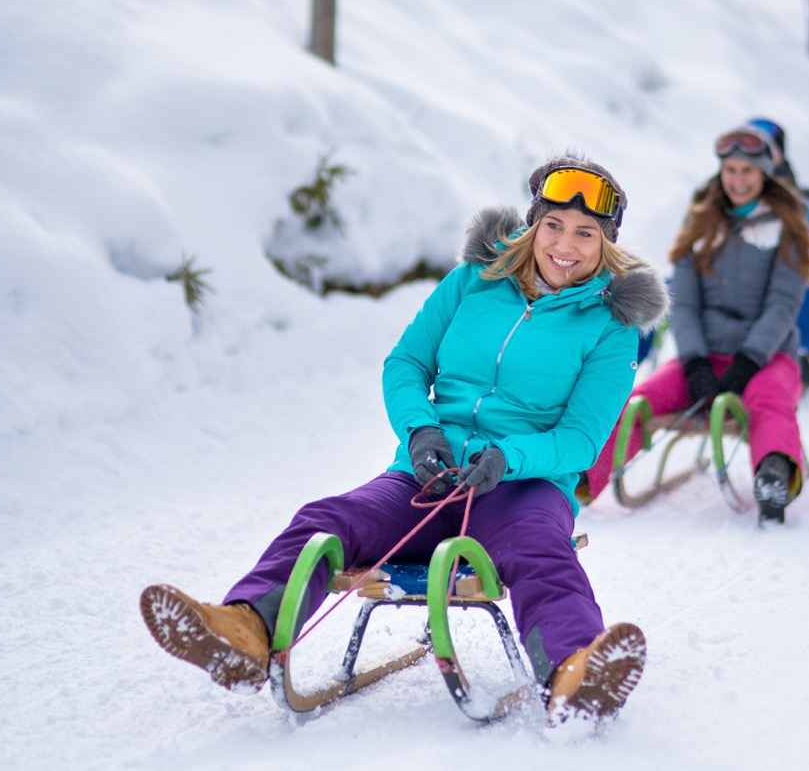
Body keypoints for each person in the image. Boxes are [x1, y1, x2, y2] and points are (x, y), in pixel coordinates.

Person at [139, 154, 669, 724]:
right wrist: (420, 431)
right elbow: (407, 363)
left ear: (605, 242)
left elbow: (581, 439)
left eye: (585, 233)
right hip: (429, 473)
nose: (566, 245)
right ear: (534, 224)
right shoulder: (474, 281)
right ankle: (244, 631)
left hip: (523, 485)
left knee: (541, 550)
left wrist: (509, 457)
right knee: (327, 520)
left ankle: (574, 672)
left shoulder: (610, 326)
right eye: (554, 226)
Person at [584, 125, 809, 523]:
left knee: (769, 401)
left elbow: (782, 306)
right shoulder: (702, 226)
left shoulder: (787, 231)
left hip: (768, 358)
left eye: (748, 171)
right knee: (639, 401)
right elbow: (685, 304)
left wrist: (749, 359)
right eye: (731, 171)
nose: (739, 181)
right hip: (705, 356)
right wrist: (694, 363)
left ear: (763, 175)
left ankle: (774, 475)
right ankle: (581, 480)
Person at [748, 117, 809, 388]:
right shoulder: (733, 193)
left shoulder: (800, 197)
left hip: (784, 269)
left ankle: (807, 356)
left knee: (801, 287)